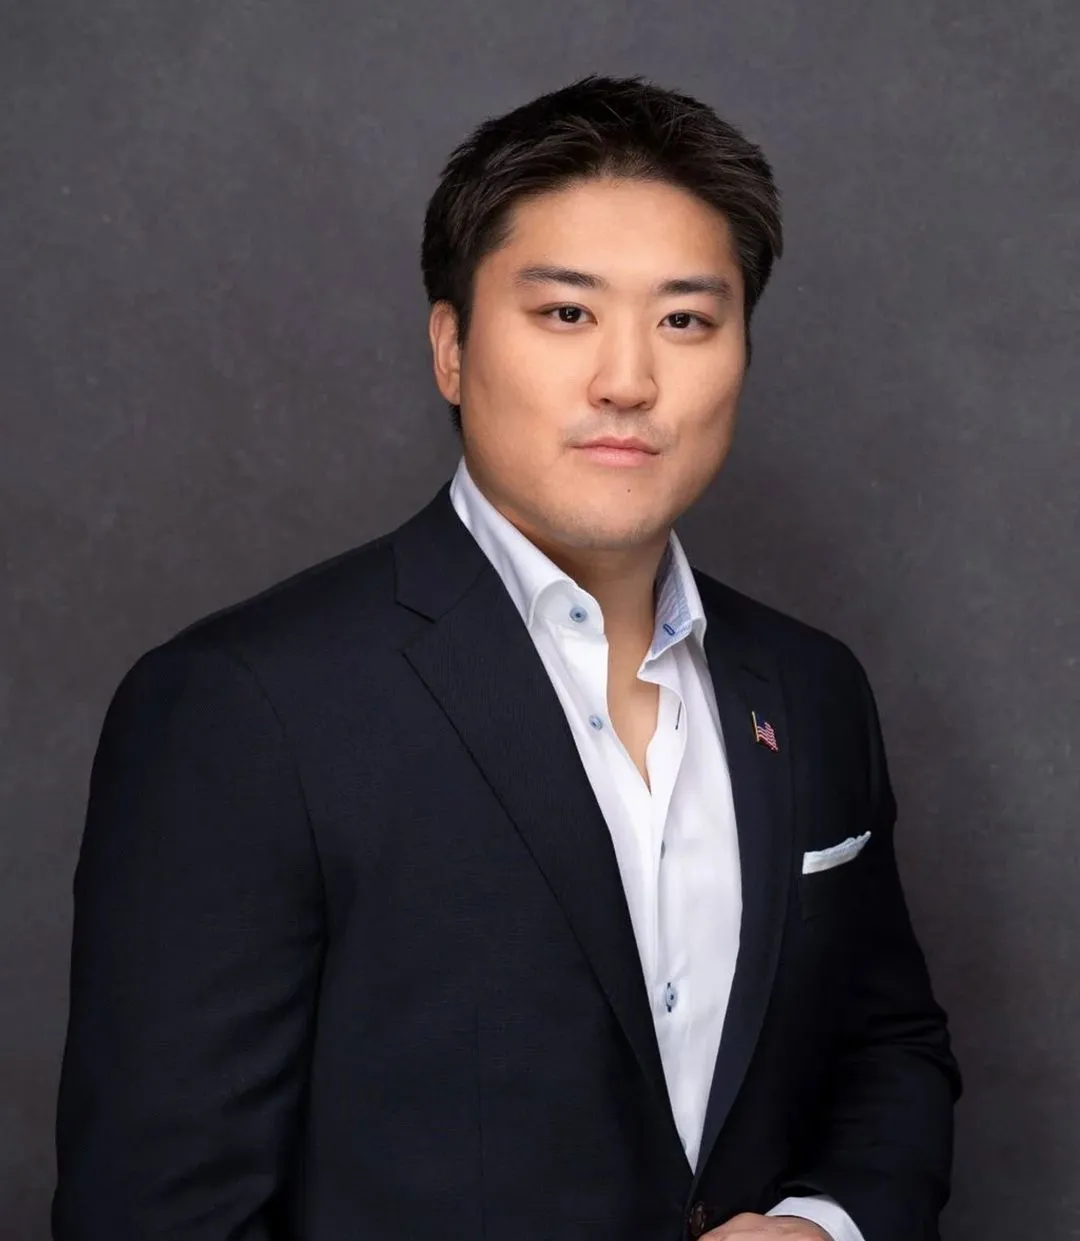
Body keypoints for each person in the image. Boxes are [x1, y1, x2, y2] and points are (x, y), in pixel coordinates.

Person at [52, 74, 961, 1241]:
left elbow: (891, 1046)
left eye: (686, 317)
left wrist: (830, 1224)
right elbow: (159, 1213)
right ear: (450, 346)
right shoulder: (245, 706)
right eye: (567, 313)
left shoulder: (813, 687)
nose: (629, 380)